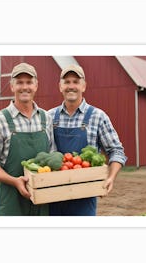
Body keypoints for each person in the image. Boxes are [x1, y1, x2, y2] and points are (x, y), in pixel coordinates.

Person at [48, 64, 127, 216]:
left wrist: (110, 177)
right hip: (53, 195)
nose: (71, 86)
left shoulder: (98, 116)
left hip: (85, 196)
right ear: (60, 86)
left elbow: (116, 151)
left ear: (84, 86)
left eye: (76, 82)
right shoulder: (49, 117)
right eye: (67, 82)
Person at [0, 62, 55, 216]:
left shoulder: (46, 118)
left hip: (42, 199)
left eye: (29, 82)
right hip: (11, 201)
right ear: (12, 86)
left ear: (36, 85)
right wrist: (14, 181)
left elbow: (52, 154)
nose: (24, 87)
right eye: (19, 82)